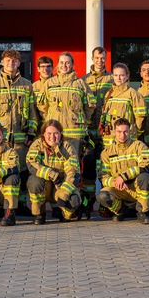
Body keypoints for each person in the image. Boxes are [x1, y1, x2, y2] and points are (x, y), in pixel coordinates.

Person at [0, 48, 37, 213]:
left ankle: (19, 204)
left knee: (21, 170)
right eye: (7, 61)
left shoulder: (27, 85)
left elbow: (32, 111)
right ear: (2, 63)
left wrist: (31, 132)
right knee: (0, 170)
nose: (10, 64)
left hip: (20, 139)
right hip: (0, 140)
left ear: (18, 63)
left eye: (14, 61)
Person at [39, 52, 95, 203]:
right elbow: (42, 106)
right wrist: (50, 120)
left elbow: (90, 106)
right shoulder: (49, 84)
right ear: (57, 65)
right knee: (56, 167)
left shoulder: (81, 84)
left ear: (72, 65)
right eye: (62, 63)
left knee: (72, 170)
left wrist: (82, 121)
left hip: (75, 136)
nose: (64, 66)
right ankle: (57, 202)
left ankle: (71, 204)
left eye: (67, 63)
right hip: (54, 136)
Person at [97, 118, 149, 224]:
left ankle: (143, 212)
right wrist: (115, 182)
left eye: (125, 132)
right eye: (119, 132)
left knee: (145, 177)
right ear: (114, 132)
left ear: (130, 131)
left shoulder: (139, 146)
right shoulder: (106, 152)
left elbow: (147, 166)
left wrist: (123, 177)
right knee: (102, 195)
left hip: (136, 188)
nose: (122, 135)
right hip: (119, 190)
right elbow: (103, 177)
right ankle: (119, 211)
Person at [26, 120, 82, 224]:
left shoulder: (67, 147)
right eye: (49, 133)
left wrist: (64, 193)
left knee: (73, 199)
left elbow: (72, 171)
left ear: (61, 134)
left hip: (61, 186)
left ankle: (65, 214)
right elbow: (32, 163)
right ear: (43, 134)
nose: (52, 137)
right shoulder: (37, 145)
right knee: (34, 181)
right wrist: (54, 177)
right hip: (47, 185)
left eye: (56, 133)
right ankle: (39, 213)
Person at [82, 47, 113, 215]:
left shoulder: (112, 79)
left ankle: (105, 201)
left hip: (106, 133)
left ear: (106, 59)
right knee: (88, 167)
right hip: (89, 132)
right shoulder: (83, 80)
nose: (100, 61)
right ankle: (88, 201)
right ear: (92, 59)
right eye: (97, 58)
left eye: (102, 58)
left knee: (105, 167)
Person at [99, 63, 146, 148]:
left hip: (127, 138)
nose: (119, 78)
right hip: (109, 138)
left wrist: (133, 132)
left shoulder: (133, 94)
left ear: (127, 76)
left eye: (122, 75)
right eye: (116, 75)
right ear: (113, 76)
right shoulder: (109, 94)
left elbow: (140, 118)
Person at [32, 55, 54, 129]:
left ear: (52, 68)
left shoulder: (58, 85)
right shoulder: (33, 87)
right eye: (43, 66)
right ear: (38, 69)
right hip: (38, 126)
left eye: (48, 66)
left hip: (54, 125)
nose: (46, 69)